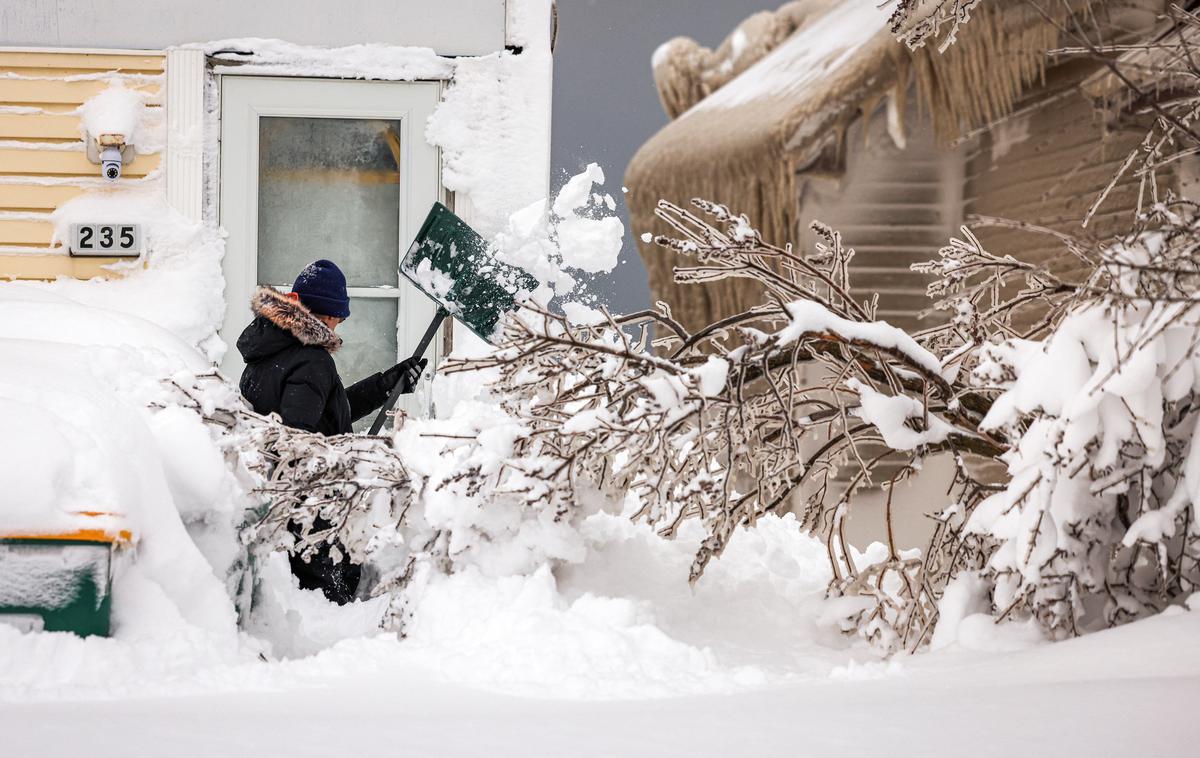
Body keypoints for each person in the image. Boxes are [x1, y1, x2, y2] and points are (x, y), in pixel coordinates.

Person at [237, 259, 427, 604]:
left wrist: (387, 385)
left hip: (279, 508)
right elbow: (298, 445)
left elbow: (324, 413)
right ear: (322, 315)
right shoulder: (312, 360)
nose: (340, 324)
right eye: (338, 316)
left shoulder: (268, 352)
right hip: (313, 520)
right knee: (330, 610)